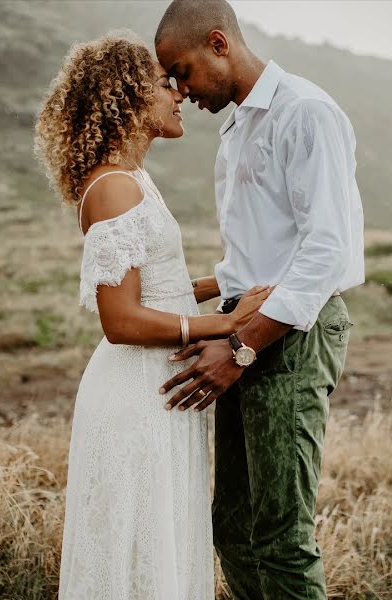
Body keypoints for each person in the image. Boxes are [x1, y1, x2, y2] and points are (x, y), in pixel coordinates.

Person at [34, 32, 272, 599]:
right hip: (136, 393)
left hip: (159, 388)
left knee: (156, 537)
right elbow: (119, 320)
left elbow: (155, 287)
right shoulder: (114, 187)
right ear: (129, 96)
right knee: (136, 541)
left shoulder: (133, 180)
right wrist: (225, 323)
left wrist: (227, 285)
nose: (180, 95)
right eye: (166, 85)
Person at [155, 1, 366, 598]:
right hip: (244, 326)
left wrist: (240, 349)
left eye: (182, 70)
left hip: (291, 336)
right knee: (234, 529)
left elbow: (326, 251)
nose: (179, 88)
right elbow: (254, 262)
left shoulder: (306, 113)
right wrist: (177, 293)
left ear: (218, 43)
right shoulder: (237, 127)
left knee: (279, 535)